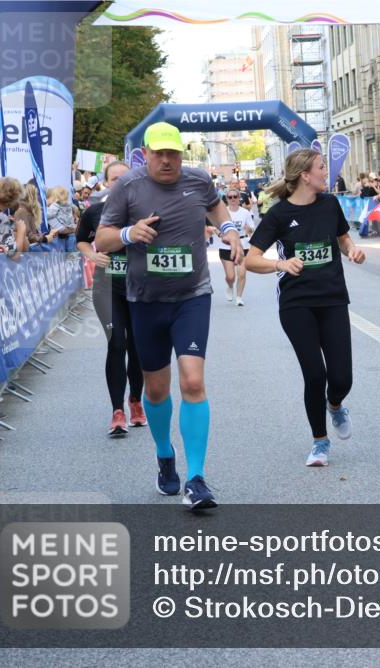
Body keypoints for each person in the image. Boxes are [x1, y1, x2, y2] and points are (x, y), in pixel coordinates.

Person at [95, 121, 245, 511]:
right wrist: (130, 234)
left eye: (173, 153)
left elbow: (215, 207)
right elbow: (102, 239)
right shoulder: (128, 187)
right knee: (157, 390)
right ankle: (165, 454)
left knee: (193, 382)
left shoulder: (198, 180)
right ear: (145, 153)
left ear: (182, 153)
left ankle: (196, 478)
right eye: (159, 153)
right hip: (145, 300)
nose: (167, 160)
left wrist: (228, 230)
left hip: (192, 296)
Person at [244, 149, 365, 466]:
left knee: (342, 379)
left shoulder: (330, 204)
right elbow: (251, 259)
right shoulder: (279, 214)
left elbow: (343, 239)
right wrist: (280, 263)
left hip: (333, 298)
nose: (328, 172)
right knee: (315, 374)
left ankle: (335, 405)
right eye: (322, 167)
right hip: (297, 304)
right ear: (305, 176)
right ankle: (320, 442)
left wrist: (352, 250)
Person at [76, 160, 146, 437]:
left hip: (140, 288)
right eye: (113, 179)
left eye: (124, 178)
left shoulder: (144, 211)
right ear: (105, 183)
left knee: (137, 347)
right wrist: (92, 254)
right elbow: (81, 239)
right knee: (116, 343)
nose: (119, 183)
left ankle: (136, 401)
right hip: (108, 287)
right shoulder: (95, 211)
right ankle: (117, 411)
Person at [214, 188, 255, 306]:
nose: (233, 199)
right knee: (231, 276)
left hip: (243, 245)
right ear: (226, 199)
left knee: (242, 273)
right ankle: (229, 285)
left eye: (235, 197)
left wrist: (249, 229)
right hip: (226, 246)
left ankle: (239, 297)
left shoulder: (245, 213)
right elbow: (215, 227)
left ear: (239, 198)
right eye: (230, 197)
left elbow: (252, 227)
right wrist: (221, 234)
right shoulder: (223, 213)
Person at [46, 185, 77, 251]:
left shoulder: (55, 205)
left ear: (55, 197)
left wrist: (44, 208)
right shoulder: (67, 206)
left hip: (64, 233)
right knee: (72, 254)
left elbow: (48, 214)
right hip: (71, 234)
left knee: (68, 254)